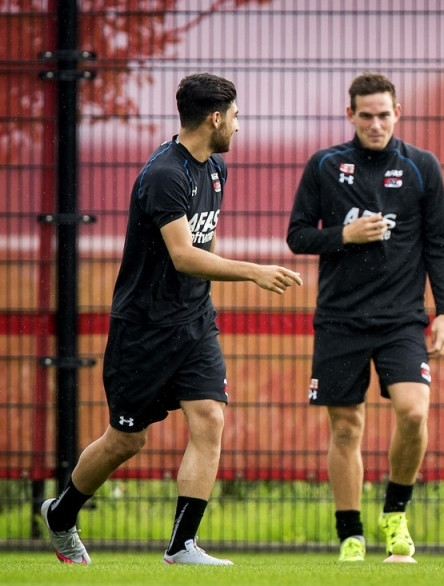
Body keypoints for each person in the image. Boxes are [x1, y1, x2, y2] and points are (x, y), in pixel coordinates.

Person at [39, 73, 303, 566]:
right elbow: (183, 255)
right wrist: (253, 272)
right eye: (236, 116)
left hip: (194, 323)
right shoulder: (165, 174)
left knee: (210, 418)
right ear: (216, 118)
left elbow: (205, 244)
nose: (239, 126)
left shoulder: (216, 168)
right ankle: (60, 514)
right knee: (126, 440)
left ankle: (182, 546)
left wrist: (207, 292)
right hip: (143, 330)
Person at [286, 72, 444, 563]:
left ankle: (395, 513)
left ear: (397, 113)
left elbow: (439, 245)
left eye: (384, 115)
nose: (376, 124)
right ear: (351, 115)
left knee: (414, 411)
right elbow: (298, 235)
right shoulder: (325, 165)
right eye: (366, 116)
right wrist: (345, 235)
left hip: (402, 319)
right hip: (340, 319)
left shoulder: (422, 166)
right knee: (346, 427)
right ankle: (351, 534)